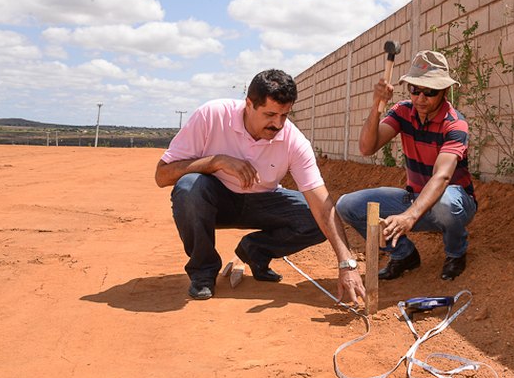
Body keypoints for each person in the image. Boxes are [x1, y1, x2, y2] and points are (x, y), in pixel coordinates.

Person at [155, 69, 365, 302]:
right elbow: (162, 175)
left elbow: (323, 207)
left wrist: (347, 263)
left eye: (285, 115)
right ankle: (203, 271)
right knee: (188, 187)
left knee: (316, 219)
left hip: (263, 204)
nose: (278, 124)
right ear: (249, 104)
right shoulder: (211, 116)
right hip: (215, 202)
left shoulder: (293, 141)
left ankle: (255, 250)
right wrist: (216, 162)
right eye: (270, 114)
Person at [335, 50, 477, 281]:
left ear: (444, 91)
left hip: (455, 200)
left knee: (444, 203)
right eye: (415, 90)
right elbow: (366, 148)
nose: (421, 98)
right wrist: (376, 106)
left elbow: (442, 177)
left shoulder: (455, 124)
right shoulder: (403, 112)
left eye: (429, 91)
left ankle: (455, 253)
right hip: (416, 197)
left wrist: (409, 217)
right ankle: (404, 255)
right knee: (347, 205)